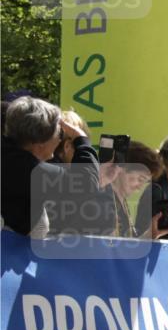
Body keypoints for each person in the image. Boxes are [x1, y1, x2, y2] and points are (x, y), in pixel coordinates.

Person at [1, 97, 99, 238]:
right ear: (40, 142)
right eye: (60, 133)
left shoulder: (9, 156)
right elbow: (86, 183)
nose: (60, 140)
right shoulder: (26, 170)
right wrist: (81, 139)